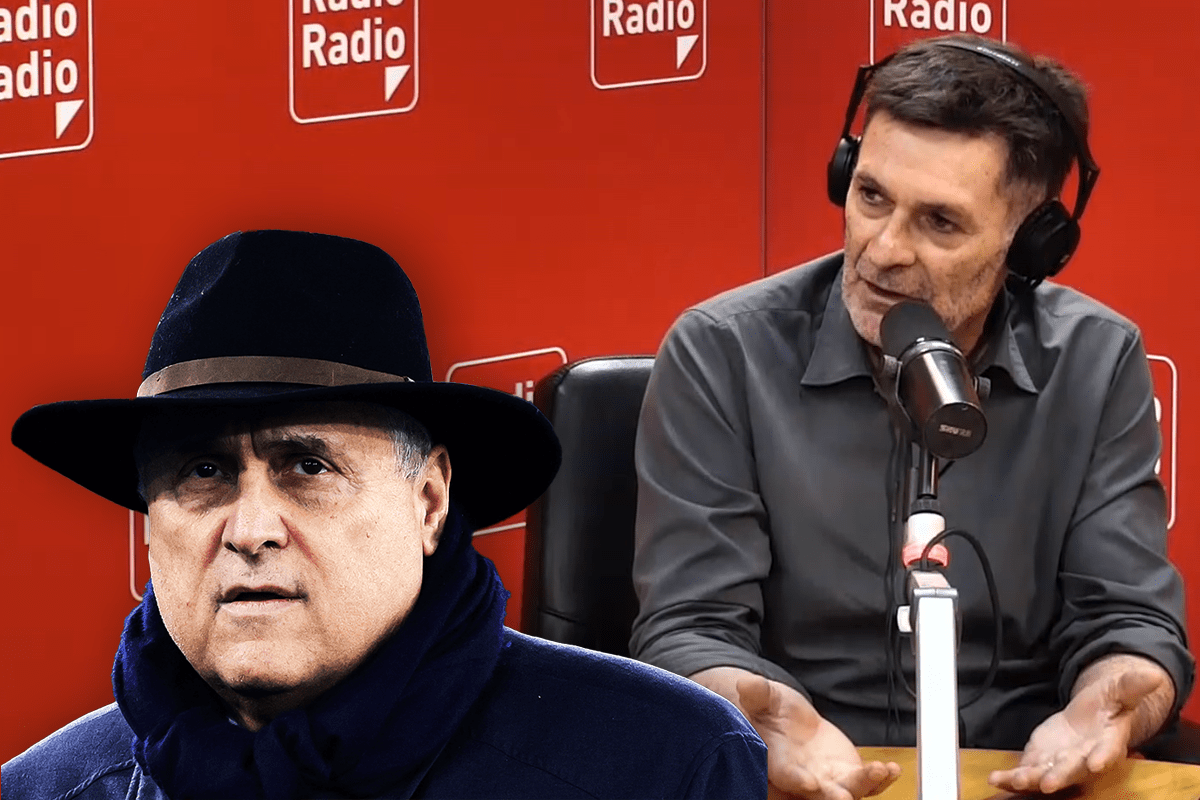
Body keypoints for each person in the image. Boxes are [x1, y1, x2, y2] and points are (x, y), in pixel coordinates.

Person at [2, 230, 767, 799]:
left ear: (429, 502)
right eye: (203, 473)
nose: (251, 530)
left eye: (308, 467)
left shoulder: (669, 767)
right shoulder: (36, 792)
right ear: (148, 525)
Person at [630, 34, 1194, 800]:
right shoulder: (722, 351)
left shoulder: (1097, 360)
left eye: (940, 223)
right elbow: (691, 625)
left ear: (1031, 243)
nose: (884, 249)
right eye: (870, 197)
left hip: (1021, 776)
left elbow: (1127, 618)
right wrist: (743, 706)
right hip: (802, 776)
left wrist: (1116, 699)